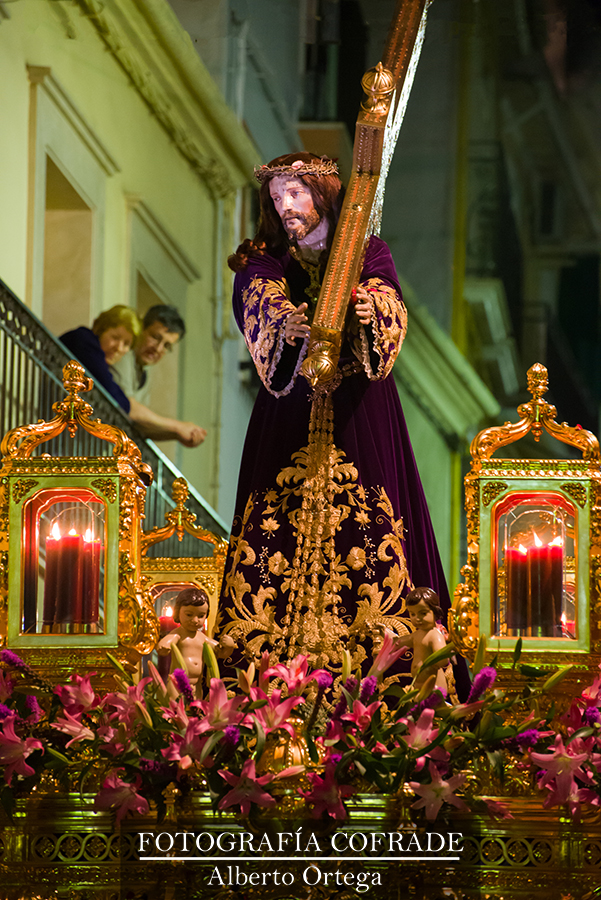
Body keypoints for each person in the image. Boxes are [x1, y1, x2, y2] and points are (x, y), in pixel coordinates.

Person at [219, 152, 456, 685]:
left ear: (322, 193)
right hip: (289, 410)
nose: (285, 206)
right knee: (275, 521)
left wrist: (373, 307)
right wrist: (282, 322)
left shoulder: (367, 250)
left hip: (358, 407)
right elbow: (254, 298)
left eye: (295, 193)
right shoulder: (267, 257)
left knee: (375, 520)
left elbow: (387, 296)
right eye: (277, 197)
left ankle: (389, 667)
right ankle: (263, 671)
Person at [112, 305, 206, 448]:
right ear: (141, 329)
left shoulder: (144, 374)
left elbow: (139, 425)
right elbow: (129, 409)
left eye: (167, 346)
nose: (158, 349)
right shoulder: (122, 356)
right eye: (155, 337)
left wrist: (177, 435)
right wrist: (178, 426)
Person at [59, 305, 141, 413]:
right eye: (115, 337)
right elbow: (114, 395)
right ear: (100, 330)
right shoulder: (84, 340)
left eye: (126, 344)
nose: (119, 348)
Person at [157, 587, 234, 698]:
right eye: (189, 615)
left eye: (201, 616)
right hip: (177, 683)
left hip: (197, 684)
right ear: (178, 612)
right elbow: (165, 644)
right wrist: (164, 646)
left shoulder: (202, 638)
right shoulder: (178, 634)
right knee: (176, 710)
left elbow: (221, 652)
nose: (195, 620)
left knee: (196, 710)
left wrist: (229, 646)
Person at [392, 587, 449, 692]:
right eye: (413, 614)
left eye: (423, 613)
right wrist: (386, 635)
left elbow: (443, 659)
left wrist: (431, 665)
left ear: (435, 612)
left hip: (433, 683)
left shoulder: (434, 635)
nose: (417, 618)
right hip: (418, 683)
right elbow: (401, 641)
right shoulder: (417, 634)